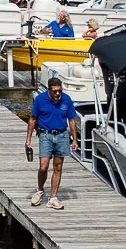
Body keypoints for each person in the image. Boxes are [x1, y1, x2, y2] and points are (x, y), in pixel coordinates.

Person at [24, 75, 80, 209]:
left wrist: (75, 139)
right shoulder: (40, 99)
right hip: (45, 135)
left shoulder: (66, 100)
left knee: (58, 167)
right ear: (49, 90)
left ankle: (53, 198)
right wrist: (28, 139)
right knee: (43, 166)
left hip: (62, 135)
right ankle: (40, 190)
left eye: (59, 91)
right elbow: (32, 119)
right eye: (55, 91)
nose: (57, 94)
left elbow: (72, 120)